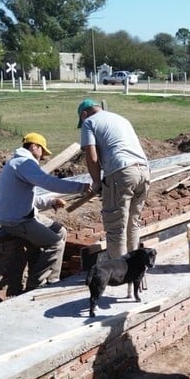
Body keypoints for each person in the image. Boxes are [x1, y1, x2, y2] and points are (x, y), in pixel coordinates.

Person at [0, 132, 91, 291]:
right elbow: (47, 182)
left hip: (23, 215)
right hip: (17, 221)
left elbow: (25, 197)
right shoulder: (24, 163)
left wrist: (50, 202)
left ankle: (53, 279)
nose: (43, 157)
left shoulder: (16, 163)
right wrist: (81, 188)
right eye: (42, 152)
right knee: (54, 243)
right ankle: (35, 284)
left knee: (61, 232)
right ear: (34, 146)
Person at [77, 99, 151, 259]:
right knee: (133, 222)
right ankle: (133, 268)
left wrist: (96, 182)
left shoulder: (88, 122)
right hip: (144, 171)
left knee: (116, 226)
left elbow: (91, 155)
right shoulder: (120, 118)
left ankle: (119, 272)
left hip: (121, 172)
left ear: (84, 114)